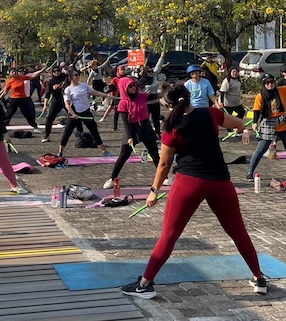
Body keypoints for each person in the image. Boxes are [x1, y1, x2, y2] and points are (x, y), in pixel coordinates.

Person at [120, 82, 267, 299]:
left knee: (169, 235)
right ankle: (259, 278)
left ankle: (144, 284)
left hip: (189, 183)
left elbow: (164, 164)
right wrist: (237, 128)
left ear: (167, 104)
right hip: (220, 182)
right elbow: (239, 123)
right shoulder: (211, 113)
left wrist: (154, 190)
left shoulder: (171, 125)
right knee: (238, 233)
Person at [103, 77, 161, 189]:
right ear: (124, 88)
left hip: (145, 127)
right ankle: (112, 178)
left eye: (134, 85)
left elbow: (156, 96)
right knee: (123, 156)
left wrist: (168, 91)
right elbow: (125, 122)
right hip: (132, 129)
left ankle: (164, 178)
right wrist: (129, 136)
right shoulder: (123, 103)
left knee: (154, 154)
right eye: (130, 86)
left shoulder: (142, 96)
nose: (133, 88)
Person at [57, 69, 113, 158]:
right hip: (74, 113)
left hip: (86, 111)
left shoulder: (84, 85)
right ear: (70, 78)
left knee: (94, 131)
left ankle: (104, 151)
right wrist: (73, 114)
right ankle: (60, 153)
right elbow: (67, 104)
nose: (78, 76)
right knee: (67, 133)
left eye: (78, 74)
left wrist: (107, 95)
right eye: (76, 75)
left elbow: (95, 92)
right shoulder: (68, 89)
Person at [41, 66, 82, 142]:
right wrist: (45, 105)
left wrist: (86, 68)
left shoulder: (65, 77)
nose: (56, 73)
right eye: (54, 71)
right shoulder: (50, 82)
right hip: (56, 101)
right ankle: (47, 136)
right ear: (52, 73)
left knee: (74, 116)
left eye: (58, 71)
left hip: (67, 100)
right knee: (49, 118)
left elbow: (76, 73)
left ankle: (80, 134)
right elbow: (47, 94)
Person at [0, 66, 44, 132]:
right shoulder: (10, 81)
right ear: (10, 74)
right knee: (9, 114)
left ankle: (34, 126)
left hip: (23, 99)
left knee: (27, 114)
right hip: (14, 100)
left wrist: (40, 71)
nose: (14, 73)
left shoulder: (21, 77)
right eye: (12, 72)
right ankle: (1, 127)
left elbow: (33, 76)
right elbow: (5, 91)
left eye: (15, 71)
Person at [139, 52, 165, 138]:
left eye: (151, 71)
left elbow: (158, 66)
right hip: (146, 103)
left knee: (156, 119)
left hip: (155, 102)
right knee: (145, 119)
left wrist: (162, 57)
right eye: (149, 72)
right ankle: (146, 133)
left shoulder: (154, 76)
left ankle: (157, 133)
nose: (151, 73)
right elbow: (137, 91)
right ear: (145, 72)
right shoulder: (142, 80)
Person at [218, 66, 245, 135]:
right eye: (233, 72)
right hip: (227, 103)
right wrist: (221, 102)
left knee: (242, 112)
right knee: (228, 118)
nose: (235, 73)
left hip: (236, 102)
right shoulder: (227, 80)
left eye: (236, 72)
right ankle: (230, 131)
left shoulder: (238, 80)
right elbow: (222, 92)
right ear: (230, 72)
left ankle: (235, 126)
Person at [99, 64, 127, 131]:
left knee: (126, 112)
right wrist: (106, 92)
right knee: (116, 112)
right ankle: (115, 127)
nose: (123, 71)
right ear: (118, 70)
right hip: (117, 96)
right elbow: (112, 88)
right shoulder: (115, 79)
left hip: (125, 96)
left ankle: (129, 126)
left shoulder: (126, 78)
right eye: (121, 70)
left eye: (123, 69)